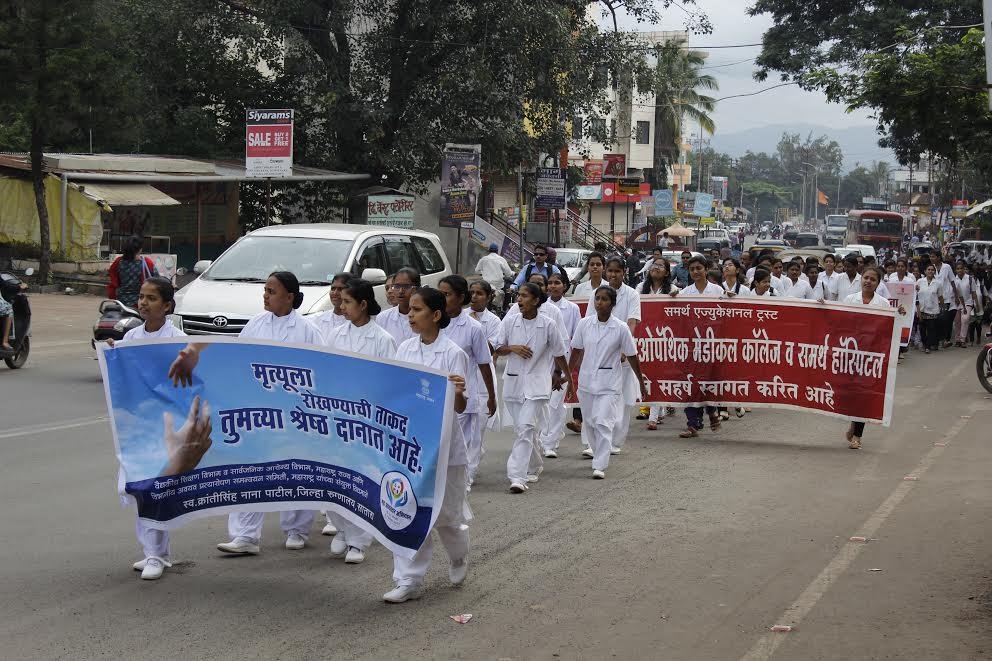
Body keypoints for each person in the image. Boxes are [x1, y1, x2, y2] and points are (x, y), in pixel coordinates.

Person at [217, 271, 326, 555]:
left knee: (295, 467)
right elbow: (240, 360)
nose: (265, 296)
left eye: (271, 291)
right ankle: (245, 535)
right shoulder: (255, 324)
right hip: (258, 410)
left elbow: (320, 370)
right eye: (265, 290)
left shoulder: (308, 330)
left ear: (289, 297)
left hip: (294, 410)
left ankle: (297, 529)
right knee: (251, 469)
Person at [113, 277, 209, 580]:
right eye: (142, 297)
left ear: (166, 306)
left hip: (166, 423)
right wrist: (113, 354)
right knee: (138, 487)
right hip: (138, 424)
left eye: (151, 298)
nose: (143, 303)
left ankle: (155, 554)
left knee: (156, 487)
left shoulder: (177, 341)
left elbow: (189, 382)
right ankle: (154, 552)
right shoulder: (131, 336)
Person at [385, 287, 471, 603]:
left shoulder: (453, 353)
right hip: (410, 446)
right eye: (410, 309)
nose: (410, 315)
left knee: (447, 518)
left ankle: (459, 555)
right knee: (407, 511)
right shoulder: (404, 349)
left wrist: (458, 393)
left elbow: (460, 406)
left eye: (417, 309)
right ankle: (407, 579)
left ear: (436, 315)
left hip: (445, 447)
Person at [322, 279, 397, 565]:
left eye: (347, 302)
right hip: (336, 417)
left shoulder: (382, 339)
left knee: (360, 480)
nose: (341, 306)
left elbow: (389, 382)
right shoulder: (336, 335)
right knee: (332, 476)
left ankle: (358, 541)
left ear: (363, 304)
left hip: (367, 420)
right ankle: (341, 528)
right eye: (341, 301)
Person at [495, 283, 572, 492]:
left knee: (526, 427)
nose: (519, 299)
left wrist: (567, 378)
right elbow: (497, 348)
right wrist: (512, 348)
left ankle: (516, 477)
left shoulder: (548, 324)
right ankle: (535, 464)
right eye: (518, 296)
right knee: (524, 430)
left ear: (536, 300)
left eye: (524, 296)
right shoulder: (510, 322)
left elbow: (559, 353)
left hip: (538, 384)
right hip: (514, 382)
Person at [568, 285, 649, 479]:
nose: (599, 303)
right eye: (597, 299)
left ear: (612, 304)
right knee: (590, 422)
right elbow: (576, 351)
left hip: (610, 384)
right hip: (587, 382)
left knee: (603, 422)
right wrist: (568, 377)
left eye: (604, 299)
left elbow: (632, 355)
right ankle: (598, 452)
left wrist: (641, 381)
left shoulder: (620, 328)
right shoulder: (584, 324)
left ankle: (600, 464)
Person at [438, 275, 497, 489]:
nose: (442, 298)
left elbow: (484, 363)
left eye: (447, 294)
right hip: (438, 391)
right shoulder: (435, 322)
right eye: (440, 294)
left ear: (460, 297)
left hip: (467, 391)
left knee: (467, 440)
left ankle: (466, 478)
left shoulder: (473, 327)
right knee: (445, 440)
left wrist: (491, 396)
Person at [584, 257, 642, 455]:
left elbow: (632, 322)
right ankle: (592, 443)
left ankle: (615, 442)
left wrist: (624, 349)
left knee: (621, 400)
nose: (613, 275)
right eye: (610, 271)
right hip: (598, 355)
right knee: (593, 398)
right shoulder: (596, 294)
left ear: (624, 272)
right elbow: (589, 322)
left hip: (621, 354)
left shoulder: (632, 294)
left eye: (617, 271)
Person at [842, 266, 903, 449]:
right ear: (861, 278)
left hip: (870, 356)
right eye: (866, 277)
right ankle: (854, 421)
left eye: (873, 279)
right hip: (849, 354)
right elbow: (838, 322)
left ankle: (857, 436)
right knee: (850, 394)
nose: (868, 281)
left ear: (878, 283)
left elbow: (889, 328)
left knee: (863, 394)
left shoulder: (883, 304)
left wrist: (898, 314)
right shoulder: (849, 299)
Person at [677, 256, 725, 438]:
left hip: (711, 345)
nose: (695, 272)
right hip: (691, 345)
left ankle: (711, 410)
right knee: (690, 382)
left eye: (699, 268)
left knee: (707, 381)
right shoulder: (685, 293)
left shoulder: (718, 290)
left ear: (706, 269)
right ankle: (693, 424)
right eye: (692, 269)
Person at [540, 272, 581, 455]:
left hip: (562, 359)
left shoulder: (572, 309)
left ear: (564, 286)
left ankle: (549, 443)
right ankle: (543, 437)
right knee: (543, 401)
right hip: (542, 360)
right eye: (550, 283)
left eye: (557, 283)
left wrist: (571, 365)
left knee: (556, 402)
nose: (553, 286)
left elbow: (575, 337)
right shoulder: (541, 306)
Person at [640, 259, 679, 430]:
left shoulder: (673, 289)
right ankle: (660, 409)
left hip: (664, 338)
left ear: (667, 273)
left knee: (658, 373)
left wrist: (675, 299)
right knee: (649, 373)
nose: (656, 268)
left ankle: (653, 416)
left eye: (660, 266)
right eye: (654, 265)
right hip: (645, 336)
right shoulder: (640, 288)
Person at [107, 235, 159, 308]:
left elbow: (112, 279)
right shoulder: (146, 262)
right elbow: (157, 279)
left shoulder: (118, 262)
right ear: (140, 249)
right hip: (140, 302)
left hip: (121, 301)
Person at [376, 267, 419, 345]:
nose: (401, 291)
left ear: (416, 289)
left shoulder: (426, 316)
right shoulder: (383, 318)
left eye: (406, 286)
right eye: (397, 286)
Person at [311, 273, 352, 340]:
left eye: (340, 289)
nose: (335, 293)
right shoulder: (317, 320)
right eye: (333, 289)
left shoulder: (356, 323)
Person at [474, 243, 513, 309]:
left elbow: (477, 270)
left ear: (489, 250)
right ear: (497, 251)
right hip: (498, 285)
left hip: (486, 283)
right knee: (507, 292)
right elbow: (508, 273)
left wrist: (483, 273)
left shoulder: (484, 259)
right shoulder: (501, 259)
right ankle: (503, 309)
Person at [916, 264, 943, 353]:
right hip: (921, 309)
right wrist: (917, 309)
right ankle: (925, 343)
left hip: (933, 310)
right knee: (922, 329)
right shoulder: (919, 281)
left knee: (931, 329)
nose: (930, 271)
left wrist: (942, 307)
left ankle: (928, 346)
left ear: (934, 272)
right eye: (929, 269)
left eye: (932, 270)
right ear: (925, 271)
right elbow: (916, 295)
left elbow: (940, 297)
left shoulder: (938, 283)